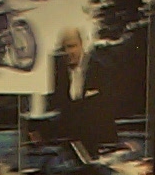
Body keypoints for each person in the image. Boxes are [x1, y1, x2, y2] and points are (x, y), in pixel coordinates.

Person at [45, 27, 118, 158]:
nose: (68, 52)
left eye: (72, 46)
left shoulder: (100, 69)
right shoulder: (59, 74)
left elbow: (109, 107)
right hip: (73, 146)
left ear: (81, 45)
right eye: (64, 49)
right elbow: (60, 109)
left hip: (101, 144)